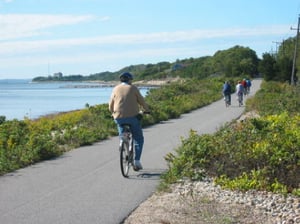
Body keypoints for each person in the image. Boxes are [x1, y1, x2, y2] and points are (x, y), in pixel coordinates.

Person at [109, 72, 150, 171]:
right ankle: (136, 161)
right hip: (133, 117)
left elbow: (110, 104)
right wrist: (147, 110)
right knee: (138, 138)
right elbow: (141, 101)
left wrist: (112, 112)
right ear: (130, 80)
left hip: (118, 117)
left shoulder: (115, 89)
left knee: (122, 134)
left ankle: (123, 142)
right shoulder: (133, 88)